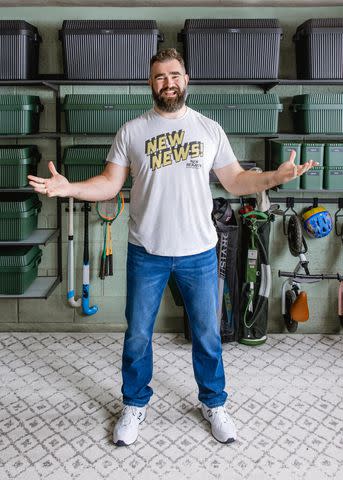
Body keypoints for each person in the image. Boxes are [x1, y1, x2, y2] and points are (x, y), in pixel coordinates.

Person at [28, 48, 316, 447]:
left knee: (207, 334)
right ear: (151, 82)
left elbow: (235, 182)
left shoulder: (208, 129)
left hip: (198, 251)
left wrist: (272, 178)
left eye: (175, 75)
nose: (169, 82)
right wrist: (69, 188)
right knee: (138, 335)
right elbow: (110, 184)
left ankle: (214, 402)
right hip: (147, 252)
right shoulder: (132, 131)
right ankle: (134, 402)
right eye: (160, 76)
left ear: (186, 80)